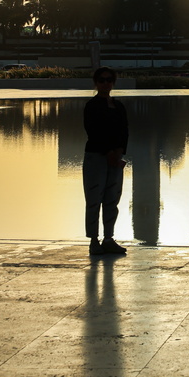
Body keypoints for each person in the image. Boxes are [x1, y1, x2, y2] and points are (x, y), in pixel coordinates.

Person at [84, 66, 128, 256]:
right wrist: (108, 152)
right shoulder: (92, 106)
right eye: (102, 80)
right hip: (96, 157)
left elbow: (124, 131)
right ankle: (94, 240)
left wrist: (118, 152)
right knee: (94, 200)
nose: (106, 83)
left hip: (115, 159)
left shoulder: (119, 106)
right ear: (96, 83)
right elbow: (93, 132)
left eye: (109, 80)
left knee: (112, 200)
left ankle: (108, 238)